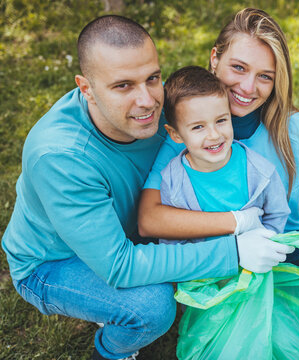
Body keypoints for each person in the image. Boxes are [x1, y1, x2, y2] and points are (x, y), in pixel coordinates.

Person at [0, 15, 284, 360]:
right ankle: (110, 351)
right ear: (86, 88)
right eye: (123, 86)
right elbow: (119, 266)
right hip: (55, 261)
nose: (148, 100)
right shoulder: (59, 156)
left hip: (131, 231)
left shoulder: (166, 107)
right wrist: (234, 251)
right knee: (150, 306)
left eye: (152, 78)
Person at [138, 8, 299, 292]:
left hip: (277, 248)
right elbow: (149, 219)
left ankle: (273, 293)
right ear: (214, 59)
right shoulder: (188, 128)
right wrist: (237, 226)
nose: (247, 86)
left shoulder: (294, 129)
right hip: (211, 254)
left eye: (265, 76)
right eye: (239, 68)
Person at [159, 65, 290, 246]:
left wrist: (268, 245)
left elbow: (277, 213)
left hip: (260, 264)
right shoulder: (173, 181)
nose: (214, 135)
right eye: (198, 127)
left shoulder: (259, 171)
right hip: (206, 270)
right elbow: (172, 239)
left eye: (221, 120)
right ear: (176, 135)